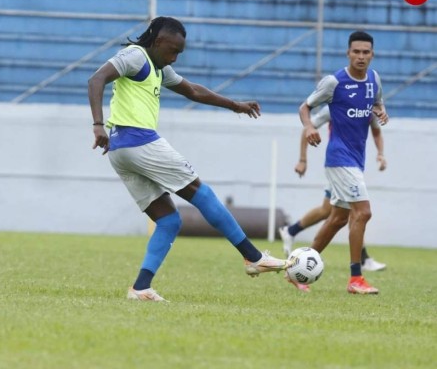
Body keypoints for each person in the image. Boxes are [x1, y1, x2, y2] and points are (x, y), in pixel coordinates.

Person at [88, 16, 290, 302]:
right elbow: (96, 78)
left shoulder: (159, 68)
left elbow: (193, 90)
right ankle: (252, 257)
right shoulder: (135, 56)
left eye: (179, 52)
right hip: (139, 140)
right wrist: (97, 125)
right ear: (157, 42)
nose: (175, 57)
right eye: (173, 50)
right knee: (199, 191)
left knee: (169, 220)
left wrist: (235, 106)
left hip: (120, 150)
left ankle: (141, 288)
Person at [298, 30, 388, 295]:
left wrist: (382, 112)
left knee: (338, 219)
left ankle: (297, 268)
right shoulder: (334, 82)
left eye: (366, 52)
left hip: (356, 160)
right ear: (348, 53)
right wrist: (308, 128)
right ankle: (355, 279)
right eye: (356, 51)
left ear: (372, 54)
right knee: (364, 213)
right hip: (339, 159)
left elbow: (378, 106)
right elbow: (304, 107)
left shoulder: (374, 80)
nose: (361, 56)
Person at [279, 104, 387, 273]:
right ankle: (361, 263)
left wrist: (380, 153)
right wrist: (302, 160)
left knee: (330, 212)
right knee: (358, 211)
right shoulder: (334, 106)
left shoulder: (368, 104)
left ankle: (292, 235)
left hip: (353, 165)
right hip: (341, 164)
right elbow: (308, 127)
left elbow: (377, 131)